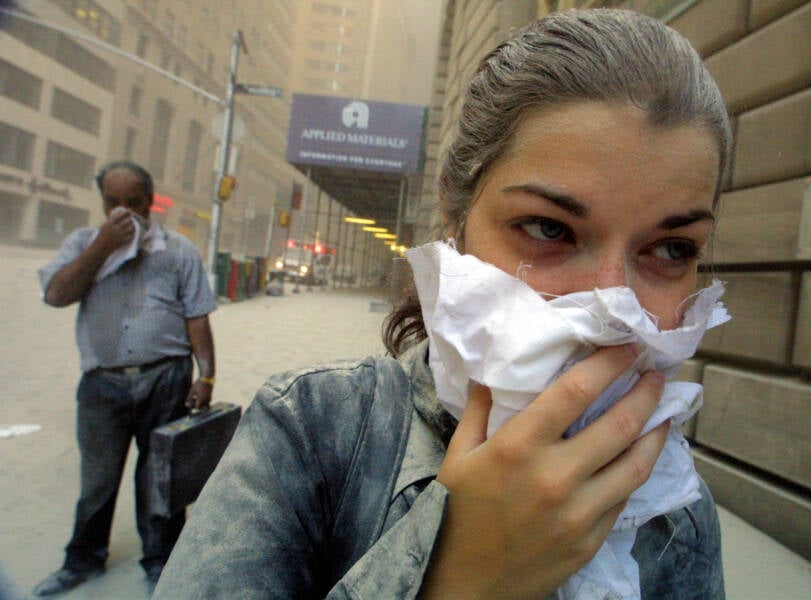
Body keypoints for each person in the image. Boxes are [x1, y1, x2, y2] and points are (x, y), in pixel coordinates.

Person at [155, 8, 731, 599]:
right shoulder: (310, 431)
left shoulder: (678, 506)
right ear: (456, 214)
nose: (612, 309)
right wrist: (459, 578)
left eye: (670, 248)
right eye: (548, 229)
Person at [34, 161, 217, 595]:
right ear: (101, 202)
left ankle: (161, 561)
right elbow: (57, 294)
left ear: (149, 200)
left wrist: (206, 376)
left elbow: (197, 319)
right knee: (97, 480)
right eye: (112, 203)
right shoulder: (83, 243)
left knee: (161, 478)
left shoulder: (179, 250)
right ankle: (83, 560)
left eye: (132, 202)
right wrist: (103, 245)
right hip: (103, 383)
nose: (123, 212)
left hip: (166, 378)